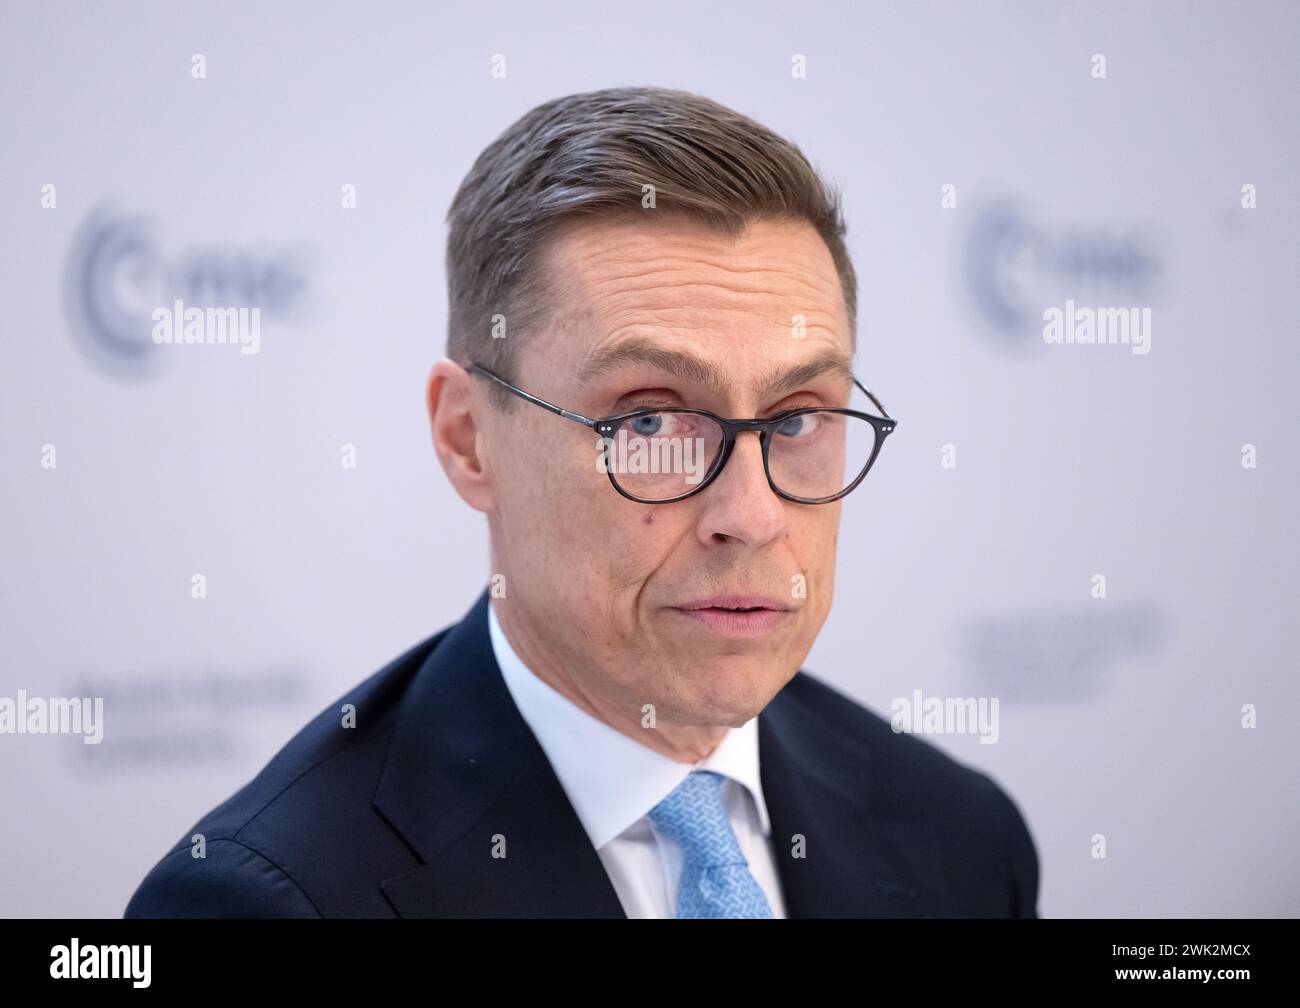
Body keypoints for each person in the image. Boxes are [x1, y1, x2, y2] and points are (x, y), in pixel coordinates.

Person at [125, 86, 1039, 918]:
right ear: (467, 438)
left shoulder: (960, 836)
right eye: (649, 422)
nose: (752, 517)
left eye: (798, 419)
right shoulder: (264, 904)